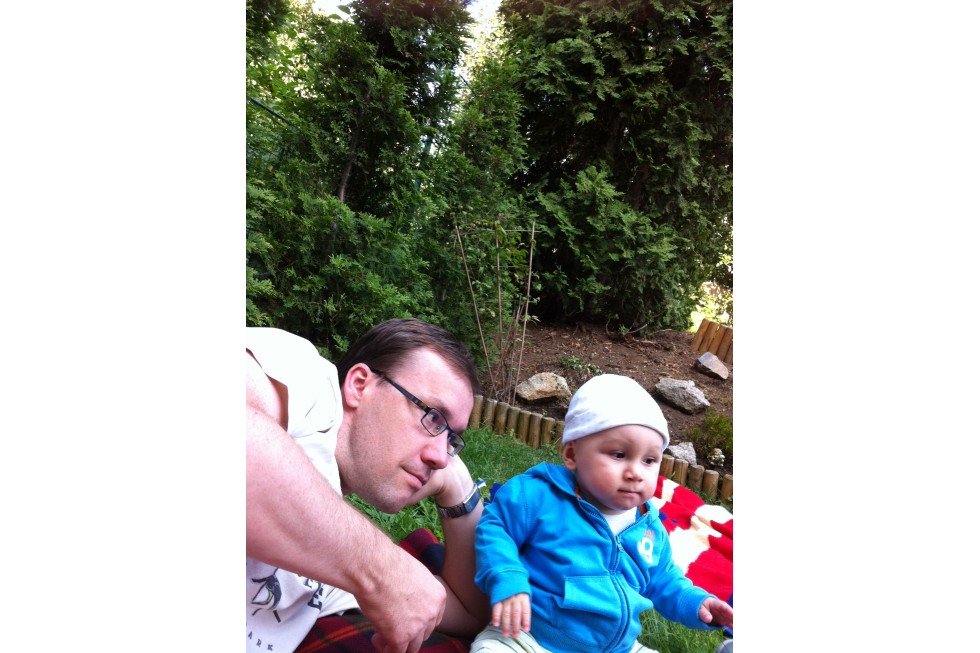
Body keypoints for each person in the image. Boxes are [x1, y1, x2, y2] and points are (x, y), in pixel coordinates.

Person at [246, 318, 491, 653]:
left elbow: (469, 613)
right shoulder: (306, 379)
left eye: (452, 439)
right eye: (433, 417)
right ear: (360, 385)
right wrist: (379, 570)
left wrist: (458, 486)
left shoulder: (332, 554)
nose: (440, 457)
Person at [471, 374, 734, 653]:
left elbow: (664, 580)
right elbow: (495, 529)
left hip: (617, 649)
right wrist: (508, 577)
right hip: (530, 638)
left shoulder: (649, 526)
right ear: (572, 455)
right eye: (619, 455)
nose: (635, 472)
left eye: (649, 460)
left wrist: (697, 604)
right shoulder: (538, 496)